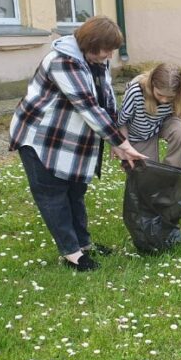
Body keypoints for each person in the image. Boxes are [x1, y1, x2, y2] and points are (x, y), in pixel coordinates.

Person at [9, 16, 147, 272]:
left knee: (75, 191)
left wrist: (118, 141)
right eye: (106, 50)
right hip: (40, 137)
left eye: (112, 51)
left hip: (69, 139)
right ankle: (72, 254)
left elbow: (105, 102)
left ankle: (84, 244)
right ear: (90, 43)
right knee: (53, 194)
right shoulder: (63, 60)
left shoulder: (95, 60)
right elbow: (87, 106)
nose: (108, 56)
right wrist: (121, 143)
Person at [117, 63, 181, 177]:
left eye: (170, 97)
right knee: (145, 175)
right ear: (152, 85)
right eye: (160, 95)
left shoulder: (178, 98)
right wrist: (126, 149)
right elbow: (121, 123)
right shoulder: (136, 92)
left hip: (161, 125)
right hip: (138, 134)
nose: (164, 100)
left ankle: (170, 175)